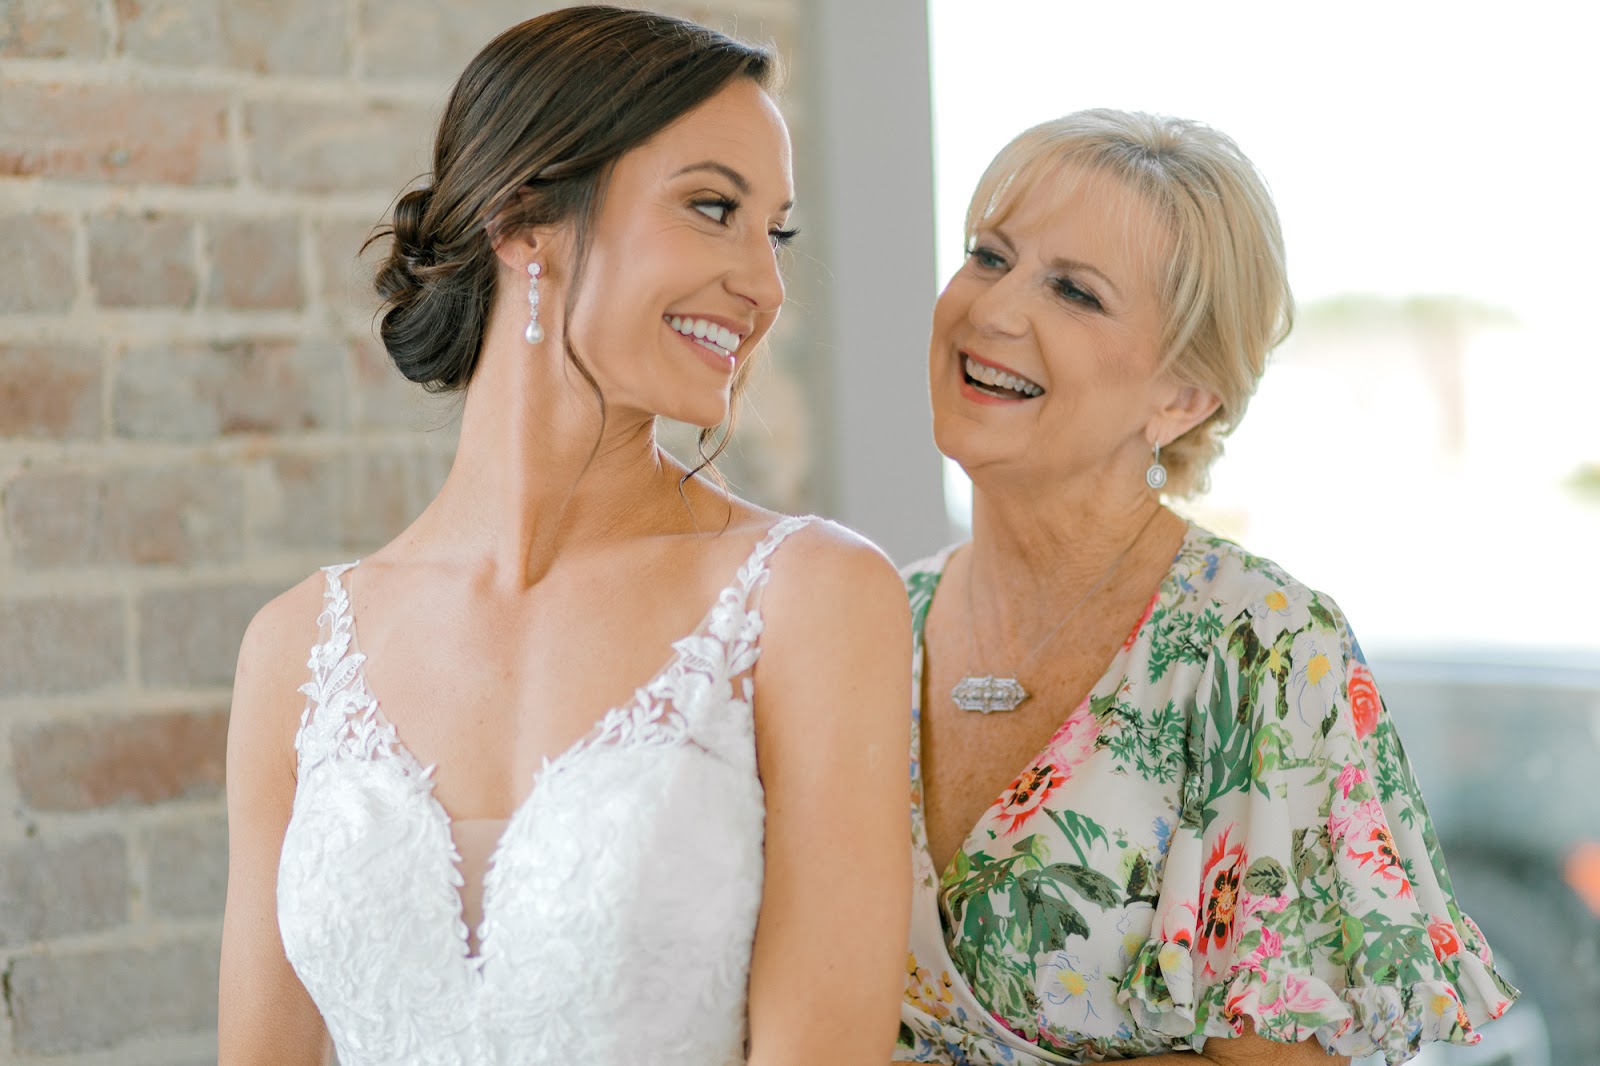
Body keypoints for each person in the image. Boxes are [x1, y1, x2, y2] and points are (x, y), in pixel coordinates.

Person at [217, 8, 911, 1065]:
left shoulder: (809, 598)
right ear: (525, 218)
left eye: (774, 230)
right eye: (713, 207)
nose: (766, 285)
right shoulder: (295, 647)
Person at [892, 110, 1516, 1065]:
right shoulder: (875, 620)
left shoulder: (1264, 646)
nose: (994, 310)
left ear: (1182, 397)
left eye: (1074, 291)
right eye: (988, 256)